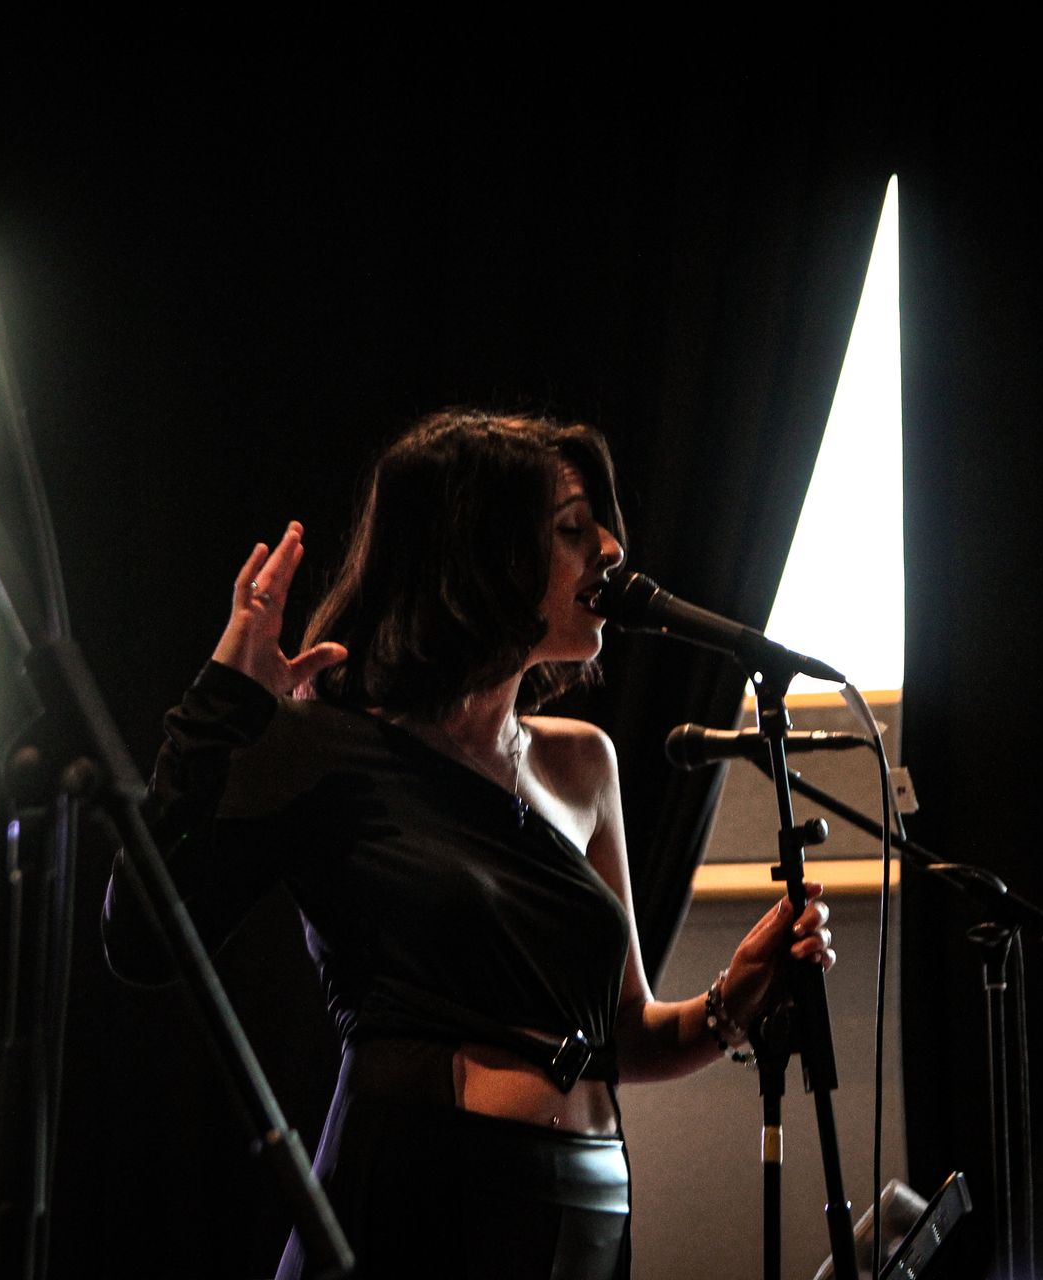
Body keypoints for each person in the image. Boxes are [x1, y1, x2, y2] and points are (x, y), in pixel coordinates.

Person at [102, 410, 836, 1279]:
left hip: (589, 1204)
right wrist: (223, 713)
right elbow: (143, 935)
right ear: (480, 552)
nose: (609, 550)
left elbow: (624, 1035)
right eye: (571, 529)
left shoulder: (582, 762)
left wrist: (729, 1002)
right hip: (426, 1197)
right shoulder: (326, 746)